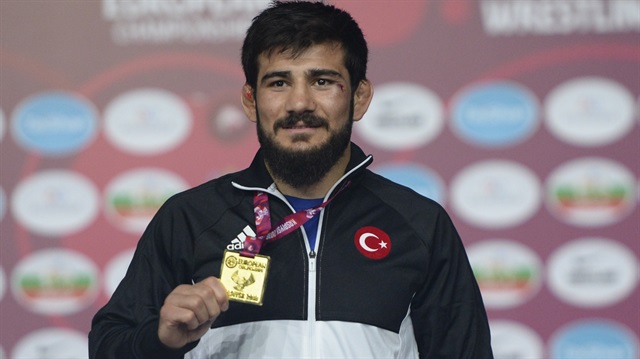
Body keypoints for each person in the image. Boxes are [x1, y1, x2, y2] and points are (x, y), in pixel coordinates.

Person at [89, 1, 493, 358]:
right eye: (279, 82)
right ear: (251, 100)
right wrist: (159, 343)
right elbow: (108, 346)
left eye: (322, 81)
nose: (300, 103)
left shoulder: (419, 224)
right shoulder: (191, 218)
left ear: (359, 97)